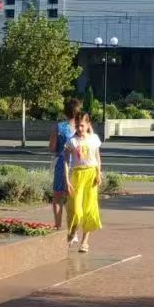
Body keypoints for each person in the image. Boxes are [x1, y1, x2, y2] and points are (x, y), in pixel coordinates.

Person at [65, 113, 103, 253]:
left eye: (82, 125)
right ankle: (72, 232)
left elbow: (97, 157)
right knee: (76, 210)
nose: (79, 128)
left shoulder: (94, 139)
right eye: (77, 126)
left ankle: (85, 241)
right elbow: (66, 160)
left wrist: (99, 173)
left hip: (91, 175)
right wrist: (67, 179)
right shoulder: (72, 141)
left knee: (89, 209)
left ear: (88, 125)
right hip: (77, 175)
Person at [49, 97, 82, 230]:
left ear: (65, 111)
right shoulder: (82, 127)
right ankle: (73, 230)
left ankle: (58, 226)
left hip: (62, 163)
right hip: (78, 164)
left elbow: (52, 147)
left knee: (58, 197)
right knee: (74, 199)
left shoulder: (59, 127)